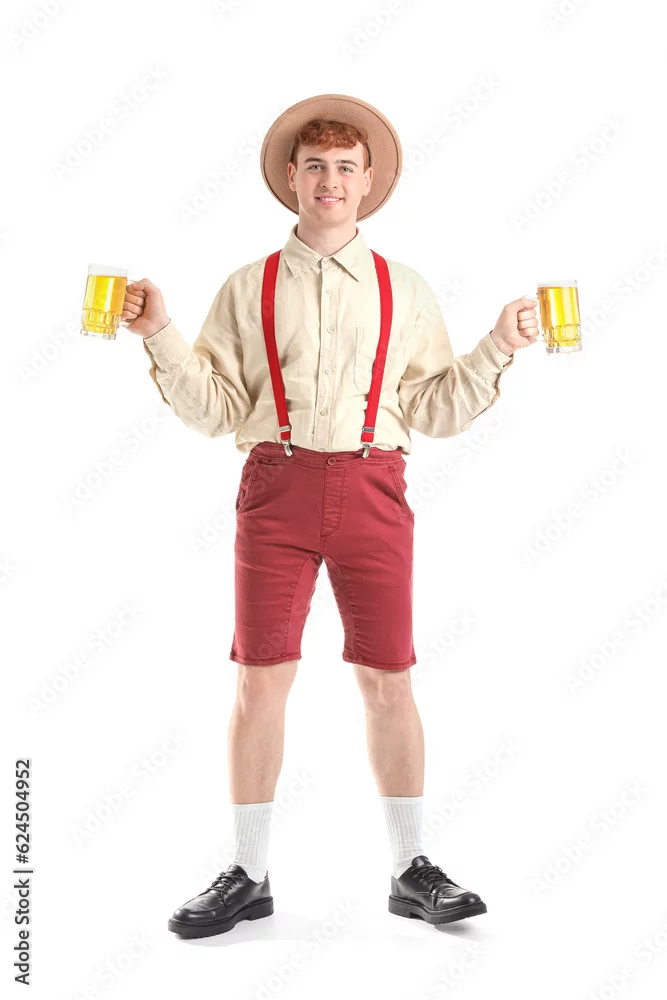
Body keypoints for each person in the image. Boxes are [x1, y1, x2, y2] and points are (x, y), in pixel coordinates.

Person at [121, 94, 539, 938]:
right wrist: (160, 332)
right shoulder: (248, 286)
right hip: (273, 488)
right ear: (290, 176)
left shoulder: (403, 288)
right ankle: (248, 874)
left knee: (389, 678)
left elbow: (434, 407)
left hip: (375, 488)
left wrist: (498, 345)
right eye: (315, 166)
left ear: (368, 179)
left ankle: (410, 870)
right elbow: (214, 409)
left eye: (345, 167)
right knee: (259, 678)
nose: (330, 181)